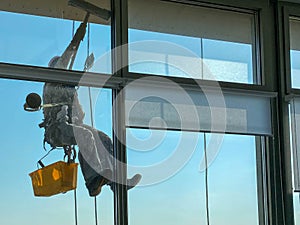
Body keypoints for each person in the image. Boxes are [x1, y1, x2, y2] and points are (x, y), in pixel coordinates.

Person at [39, 17, 141, 197]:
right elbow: (65, 59)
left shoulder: (68, 89)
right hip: (56, 130)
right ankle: (93, 180)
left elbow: (81, 114)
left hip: (68, 126)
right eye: (60, 67)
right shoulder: (50, 85)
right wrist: (76, 39)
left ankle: (117, 181)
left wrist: (83, 75)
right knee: (85, 135)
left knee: (103, 138)